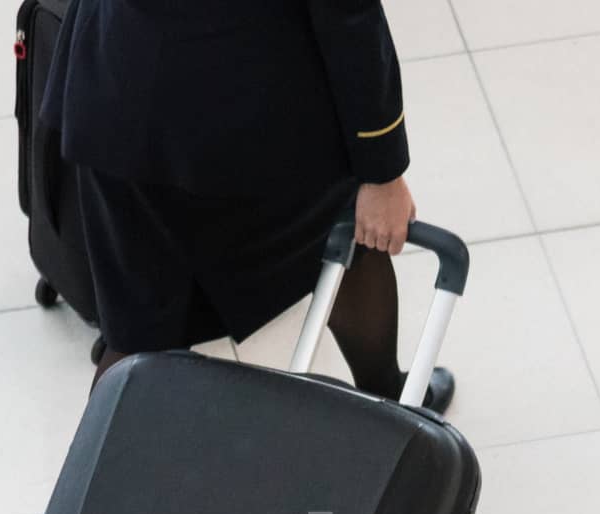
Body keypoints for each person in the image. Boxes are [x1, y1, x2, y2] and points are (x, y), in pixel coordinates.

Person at [40, 0, 455, 413]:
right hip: (221, 112)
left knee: (137, 326)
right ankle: (389, 398)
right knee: (347, 230)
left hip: (109, 89)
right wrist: (381, 170)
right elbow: (347, 13)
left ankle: (100, 473)